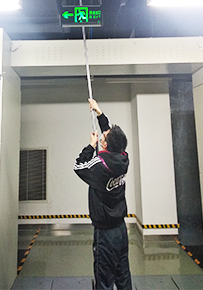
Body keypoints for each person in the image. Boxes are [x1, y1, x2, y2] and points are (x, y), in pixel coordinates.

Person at [73, 99, 132, 290]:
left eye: (103, 137)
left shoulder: (99, 167)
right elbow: (112, 137)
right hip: (121, 229)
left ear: (104, 144)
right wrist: (99, 113)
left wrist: (91, 146)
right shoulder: (123, 158)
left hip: (105, 234)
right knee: (123, 275)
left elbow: (78, 166)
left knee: (104, 279)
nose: (103, 134)